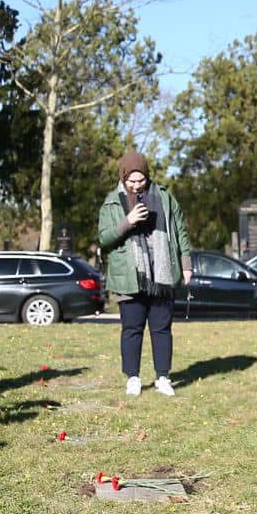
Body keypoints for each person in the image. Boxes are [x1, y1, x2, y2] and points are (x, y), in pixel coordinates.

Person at [97, 152, 191, 397]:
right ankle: (133, 378)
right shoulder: (112, 202)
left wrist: (186, 264)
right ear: (123, 177)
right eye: (132, 181)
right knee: (132, 329)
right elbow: (104, 238)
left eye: (141, 180)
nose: (137, 185)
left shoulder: (165, 197)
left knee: (162, 329)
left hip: (162, 274)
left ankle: (163, 378)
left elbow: (180, 230)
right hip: (129, 276)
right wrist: (127, 221)